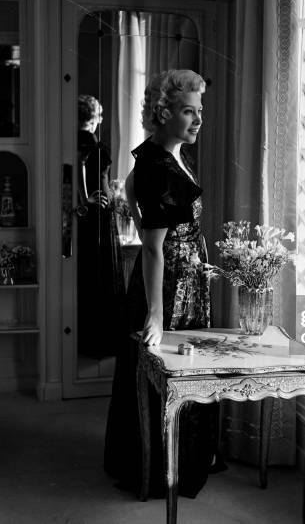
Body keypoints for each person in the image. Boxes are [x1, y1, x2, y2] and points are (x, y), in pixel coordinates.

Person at [104, 70, 218, 498]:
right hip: (168, 287)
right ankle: (162, 468)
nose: (198, 120)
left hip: (181, 278)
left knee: (181, 374)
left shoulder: (161, 155)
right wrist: (155, 314)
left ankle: (176, 459)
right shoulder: (157, 165)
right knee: (172, 373)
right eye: (189, 111)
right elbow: (152, 247)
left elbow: (129, 192)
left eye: (200, 111)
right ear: (163, 114)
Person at [76, 95, 124, 357]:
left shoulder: (69, 141)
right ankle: (100, 339)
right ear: (94, 119)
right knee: (101, 270)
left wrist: (83, 200)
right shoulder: (95, 145)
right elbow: (95, 177)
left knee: (85, 271)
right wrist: (93, 198)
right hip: (99, 212)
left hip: (82, 215)